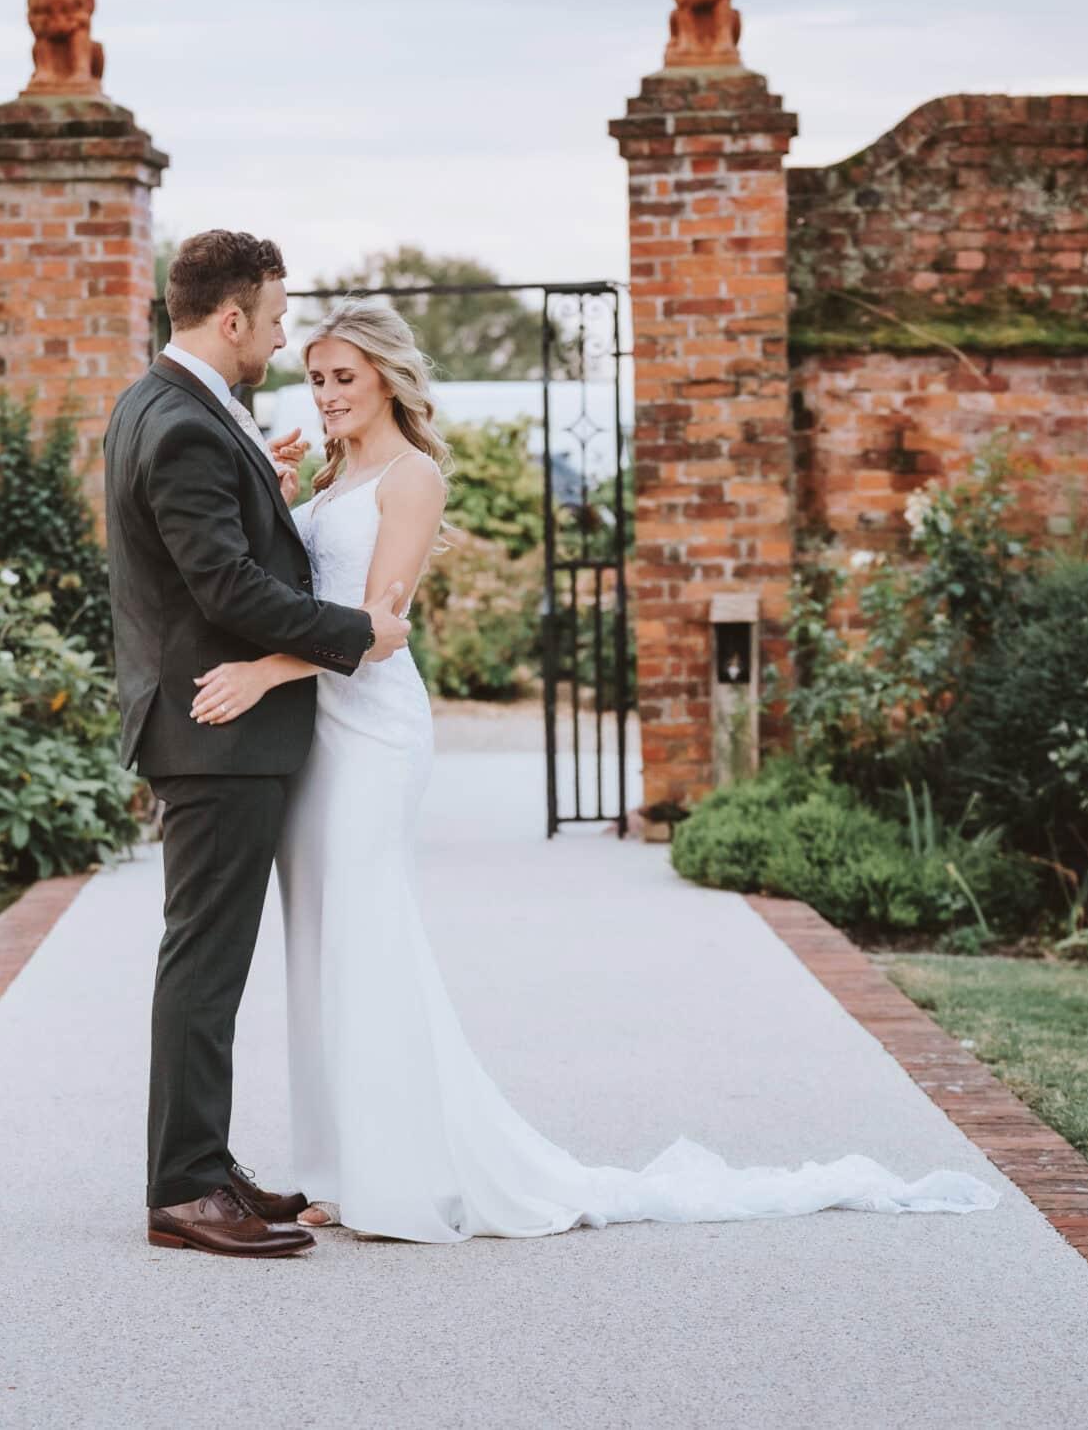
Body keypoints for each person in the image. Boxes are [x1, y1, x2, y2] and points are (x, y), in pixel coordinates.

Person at [187, 298, 1003, 1242]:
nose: (326, 394)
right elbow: (292, 587)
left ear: (387, 380)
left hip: (371, 729)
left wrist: (262, 672)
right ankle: (334, 1166)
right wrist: (281, 491)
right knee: (319, 942)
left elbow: (380, 628)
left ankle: (397, 1172)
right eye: (318, 378)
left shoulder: (412, 478)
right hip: (315, 737)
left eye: (344, 378)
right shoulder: (329, 479)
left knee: (370, 936)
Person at [101, 231, 414, 1258]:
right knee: (206, 958)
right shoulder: (185, 423)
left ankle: (205, 1164)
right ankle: (185, 1189)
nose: (280, 341)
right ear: (230, 319)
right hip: (216, 728)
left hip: (211, 728)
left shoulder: (160, 403)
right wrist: (354, 636)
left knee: (208, 954)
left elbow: (219, 546)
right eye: (277, 321)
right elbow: (223, 588)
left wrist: (266, 498)